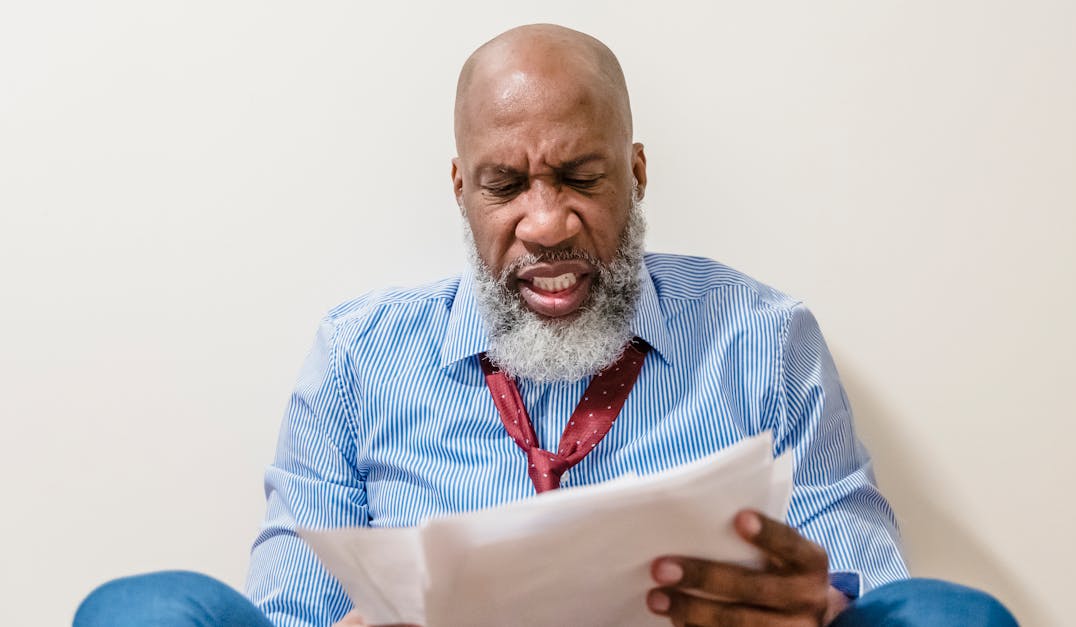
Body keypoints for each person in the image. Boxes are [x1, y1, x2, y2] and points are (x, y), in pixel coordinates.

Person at [75, 24, 1018, 627]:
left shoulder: (764, 339)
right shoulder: (358, 357)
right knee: (140, 613)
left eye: (580, 176)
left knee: (949, 619)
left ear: (636, 173)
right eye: (506, 184)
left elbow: (866, 575)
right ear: (460, 189)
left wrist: (816, 603)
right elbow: (281, 605)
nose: (546, 221)